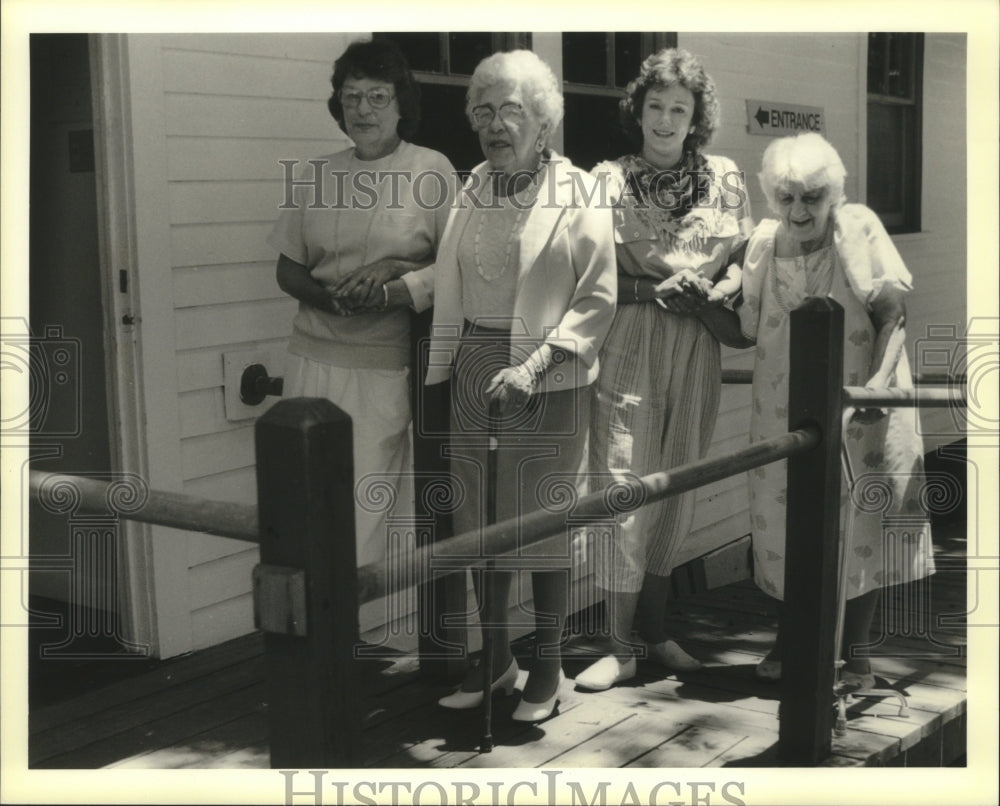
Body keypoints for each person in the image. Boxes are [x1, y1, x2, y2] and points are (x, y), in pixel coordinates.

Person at [422, 50, 616, 722]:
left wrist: (535, 366)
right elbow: (450, 280)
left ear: (543, 122)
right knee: (479, 522)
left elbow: (597, 297)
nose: (495, 126)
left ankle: (548, 665)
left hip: (546, 375)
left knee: (544, 524)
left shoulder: (580, 190)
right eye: (484, 111)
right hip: (474, 368)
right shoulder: (471, 184)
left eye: (511, 112)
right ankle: (497, 656)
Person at [577, 48, 752, 692]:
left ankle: (656, 630)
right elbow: (592, 280)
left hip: (697, 340)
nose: (666, 119)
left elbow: (742, 262)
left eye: (680, 108)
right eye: (656, 105)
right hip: (629, 340)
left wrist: (716, 292)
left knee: (677, 483)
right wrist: (652, 292)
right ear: (638, 111)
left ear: (695, 117)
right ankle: (617, 644)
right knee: (623, 483)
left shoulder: (726, 177)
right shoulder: (607, 180)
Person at [738, 132, 934, 688]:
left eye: (812, 196)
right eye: (786, 197)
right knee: (780, 525)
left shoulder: (858, 228)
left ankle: (858, 656)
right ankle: (792, 640)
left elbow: (894, 316)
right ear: (772, 198)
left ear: (834, 195)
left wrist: (876, 387)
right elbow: (744, 327)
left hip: (861, 406)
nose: (799, 209)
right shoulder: (762, 243)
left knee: (861, 524)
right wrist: (694, 305)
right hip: (781, 407)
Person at [267, 39, 455, 568]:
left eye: (377, 96)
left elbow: (456, 268)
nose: (363, 110)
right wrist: (330, 298)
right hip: (309, 360)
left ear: (401, 105)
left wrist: (396, 279)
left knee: (367, 506)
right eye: (352, 97)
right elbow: (288, 269)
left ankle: (370, 635)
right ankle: (319, 638)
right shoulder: (316, 175)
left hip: (380, 366)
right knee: (306, 498)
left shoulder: (431, 169)